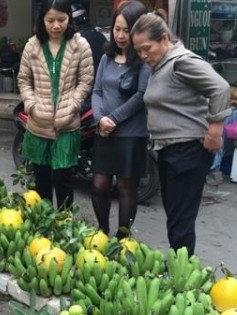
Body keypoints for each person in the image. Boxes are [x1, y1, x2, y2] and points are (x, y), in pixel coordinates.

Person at [131, 13, 231, 255]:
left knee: (181, 220)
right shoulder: (162, 64)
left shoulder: (181, 62)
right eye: (138, 51)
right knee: (176, 216)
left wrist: (215, 131)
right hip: (170, 150)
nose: (143, 56)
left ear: (164, 38)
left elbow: (220, 88)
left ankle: (182, 276)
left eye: (147, 48)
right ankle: (180, 265)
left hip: (186, 150)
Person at [17, 0, 94, 210]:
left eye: (62, 19)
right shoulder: (32, 45)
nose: (56, 25)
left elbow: (86, 80)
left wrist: (73, 104)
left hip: (67, 124)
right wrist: (31, 104)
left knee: (63, 178)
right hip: (38, 122)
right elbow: (24, 79)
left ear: (69, 18)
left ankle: (64, 225)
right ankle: (44, 223)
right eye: (50, 20)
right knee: (41, 178)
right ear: (42, 20)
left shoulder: (80, 45)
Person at [90, 1, 149, 239]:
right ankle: (102, 231)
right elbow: (96, 91)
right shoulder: (106, 57)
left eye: (127, 30)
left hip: (131, 135)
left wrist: (112, 118)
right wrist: (99, 118)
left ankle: (123, 239)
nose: (121, 35)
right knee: (99, 185)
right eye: (117, 29)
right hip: (104, 132)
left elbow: (141, 96)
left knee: (126, 188)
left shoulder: (144, 61)